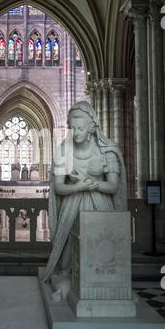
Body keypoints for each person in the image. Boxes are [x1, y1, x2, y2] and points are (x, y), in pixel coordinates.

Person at [42, 101, 127, 298]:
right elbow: (58, 187)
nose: (76, 132)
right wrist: (78, 186)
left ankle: (105, 281)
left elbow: (113, 186)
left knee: (104, 248)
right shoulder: (64, 150)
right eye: (72, 128)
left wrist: (93, 184)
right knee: (68, 256)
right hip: (72, 206)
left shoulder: (106, 151)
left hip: (100, 205)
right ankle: (67, 278)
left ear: (91, 127)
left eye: (80, 128)